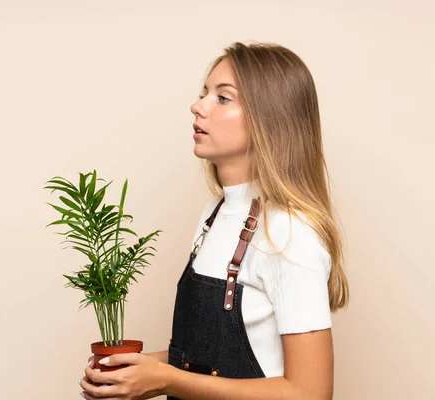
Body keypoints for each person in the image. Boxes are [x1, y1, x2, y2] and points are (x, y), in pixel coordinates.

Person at [79, 41, 349, 400]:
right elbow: (205, 362)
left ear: (270, 118)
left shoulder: (288, 231)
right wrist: (134, 372)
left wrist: (166, 380)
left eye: (223, 98)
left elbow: (309, 393)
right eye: (204, 93)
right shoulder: (215, 212)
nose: (197, 106)